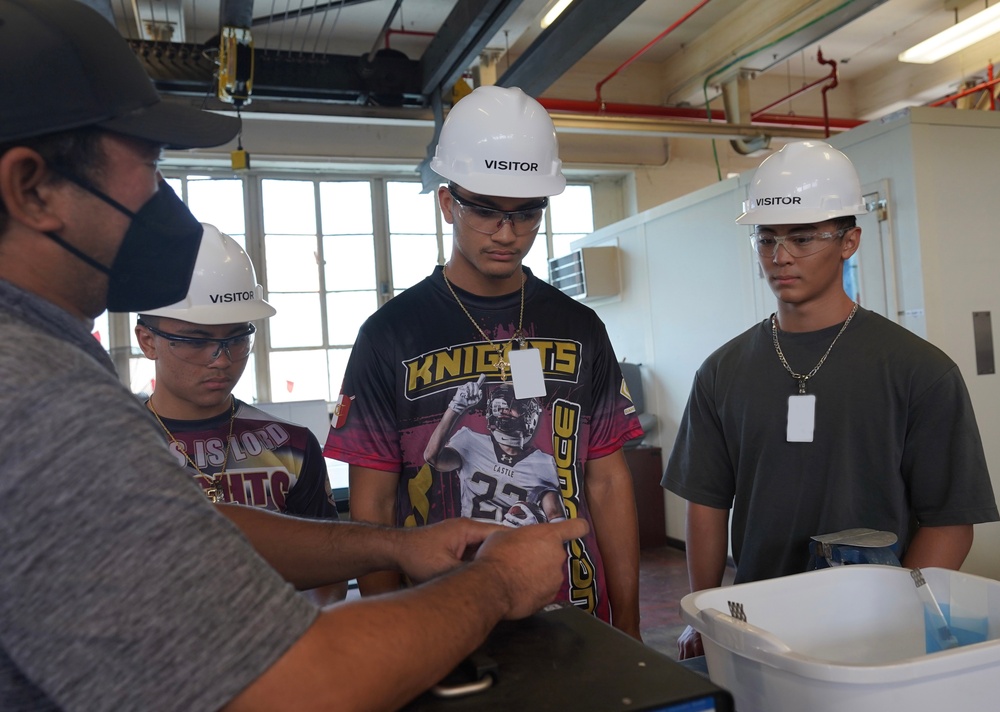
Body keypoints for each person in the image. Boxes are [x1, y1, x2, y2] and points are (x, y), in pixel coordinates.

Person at [0, 1, 588, 709]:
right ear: (31, 188)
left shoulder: (35, 357)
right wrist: (494, 583)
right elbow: (297, 687)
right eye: (149, 166)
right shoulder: (38, 398)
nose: (161, 198)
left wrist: (392, 548)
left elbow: (177, 531)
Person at [324, 84, 645, 638]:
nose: (507, 233)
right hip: (442, 620)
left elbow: (608, 483)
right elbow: (372, 501)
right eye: (486, 212)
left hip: (569, 616)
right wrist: (388, 631)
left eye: (525, 214)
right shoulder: (390, 336)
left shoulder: (580, 327)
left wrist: (631, 621)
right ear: (448, 203)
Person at [662, 139, 999, 659]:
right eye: (766, 238)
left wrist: (891, 616)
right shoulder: (722, 371)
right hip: (758, 623)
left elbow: (950, 519)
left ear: (850, 241)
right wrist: (704, 611)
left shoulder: (919, 371)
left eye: (802, 238)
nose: (780, 257)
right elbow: (707, 502)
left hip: (872, 629)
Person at [136, 224, 347, 605]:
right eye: (197, 341)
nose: (223, 360)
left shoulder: (291, 446)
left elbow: (327, 565)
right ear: (148, 341)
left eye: (236, 338)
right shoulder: (112, 446)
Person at [424, 378, 566, 526]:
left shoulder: (544, 464)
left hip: (513, 546)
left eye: (513, 406)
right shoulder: (470, 441)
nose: (504, 410)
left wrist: (537, 531)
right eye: (500, 404)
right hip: (470, 543)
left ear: (530, 417)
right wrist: (455, 407)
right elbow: (433, 458)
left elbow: (558, 522)